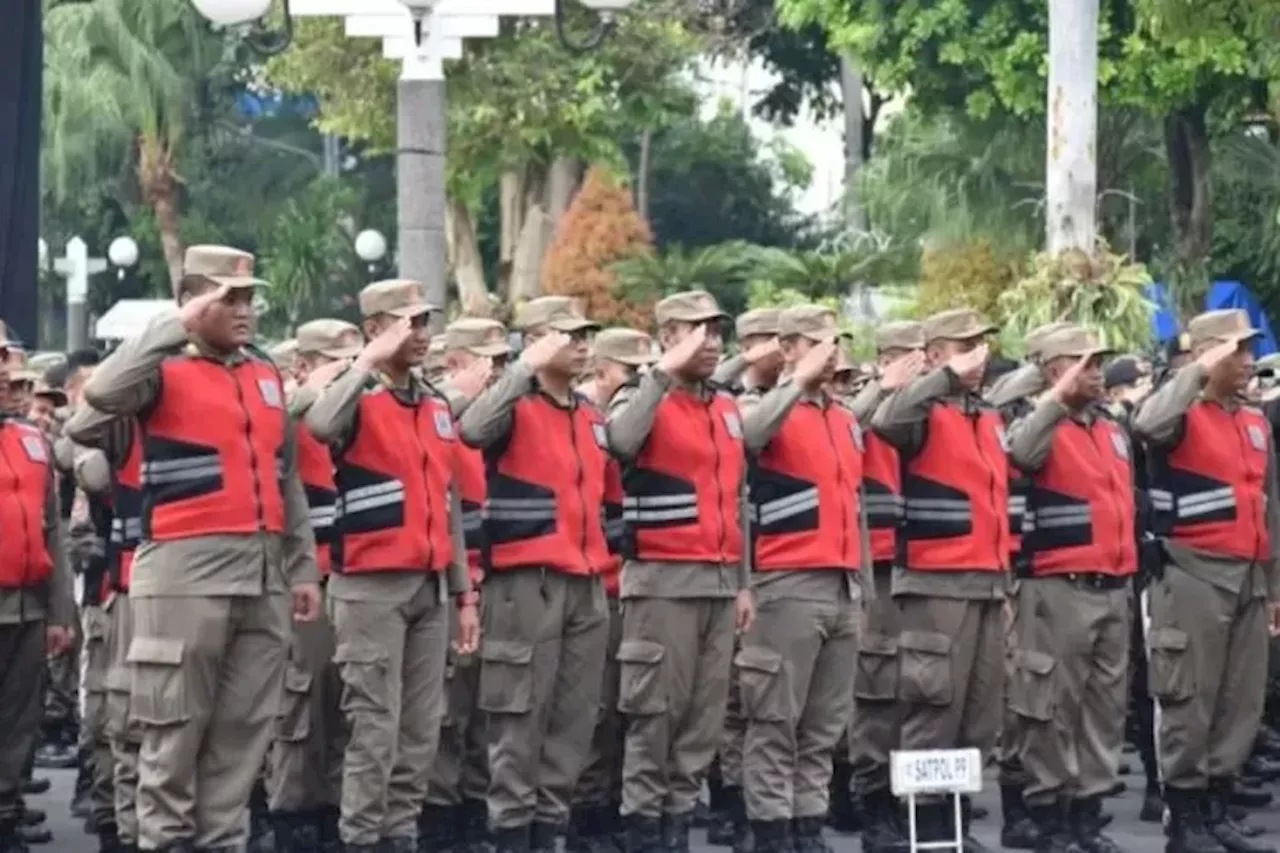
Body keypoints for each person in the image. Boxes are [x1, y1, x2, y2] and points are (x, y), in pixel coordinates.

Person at [81, 244, 322, 853]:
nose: (245, 310)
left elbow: (284, 475)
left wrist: (300, 569)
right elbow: (100, 399)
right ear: (193, 301)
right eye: (228, 299)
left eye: (249, 298)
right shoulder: (159, 366)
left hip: (262, 573)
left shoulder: (264, 372)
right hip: (185, 573)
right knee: (172, 736)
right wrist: (177, 325)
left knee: (241, 740)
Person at [305, 280, 479, 853]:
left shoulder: (433, 402)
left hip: (430, 587)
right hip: (370, 588)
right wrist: (363, 364)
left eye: (426, 322)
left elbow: (447, 500)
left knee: (420, 732)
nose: (422, 334)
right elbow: (322, 426)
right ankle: (360, 838)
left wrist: (463, 594)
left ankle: (398, 836)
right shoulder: (354, 395)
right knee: (374, 729)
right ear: (377, 329)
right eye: (409, 323)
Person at [457, 296, 611, 853]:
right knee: (518, 724)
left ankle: (550, 835)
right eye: (569, 335)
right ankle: (511, 835)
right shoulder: (513, 406)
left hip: (586, 586)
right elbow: (470, 429)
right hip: (527, 586)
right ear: (538, 339)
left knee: (572, 724)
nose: (583, 344)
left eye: (586, 334)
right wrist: (523, 366)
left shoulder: (591, 417)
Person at [606, 290, 756, 853]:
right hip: (663, 583)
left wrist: (741, 584)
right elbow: (618, 441)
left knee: (701, 723)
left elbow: (735, 502)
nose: (713, 343)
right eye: (698, 332)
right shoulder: (639, 396)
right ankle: (644, 831)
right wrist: (659, 376)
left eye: (718, 332)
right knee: (654, 720)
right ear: (668, 337)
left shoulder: (724, 407)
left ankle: (674, 832)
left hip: (717, 585)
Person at [1133, 309, 1280, 853]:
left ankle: (1218, 803)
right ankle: (1186, 814)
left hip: (1248, 576)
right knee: (1188, 698)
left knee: (1240, 699)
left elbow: (1270, 507)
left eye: (1248, 351)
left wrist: (1273, 584)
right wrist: (1196, 369)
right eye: (1236, 351)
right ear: (1208, 354)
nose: (1247, 362)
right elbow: (1146, 424)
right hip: (1193, 572)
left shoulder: (1252, 421)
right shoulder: (1179, 413)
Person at [869, 307, 1009, 851]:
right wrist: (944, 377)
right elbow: (886, 418)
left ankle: (955, 824)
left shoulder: (988, 413)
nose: (979, 353)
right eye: (965, 345)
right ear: (933, 355)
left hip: (987, 581)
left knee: (978, 712)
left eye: (983, 343)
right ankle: (923, 828)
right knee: (933, 706)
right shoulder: (920, 411)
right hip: (935, 583)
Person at [736, 306, 867, 853]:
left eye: (834, 342)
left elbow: (856, 507)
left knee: (823, 726)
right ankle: (771, 831)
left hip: (842, 585)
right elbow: (749, 437)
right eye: (817, 342)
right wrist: (795, 383)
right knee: (774, 720)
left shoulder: (843, 417)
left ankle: (807, 826)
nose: (830, 351)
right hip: (787, 582)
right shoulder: (758, 406)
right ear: (786, 348)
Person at [1005, 326, 1135, 853]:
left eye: (1100, 361)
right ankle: (1047, 812)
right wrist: (1054, 400)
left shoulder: (1110, 429)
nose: (1097, 371)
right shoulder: (1034, 422)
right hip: (1058, 584)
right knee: (1050, 706)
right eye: (1083, 362)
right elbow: (1019, 455)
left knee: (1104, 709)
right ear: (1052, 369)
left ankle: (1087, 811)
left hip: (1113, 585)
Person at [270, 319, 364, 853]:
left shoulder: (355, 411)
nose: (352, 373)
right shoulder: (292, 408)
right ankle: (286, 817)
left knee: (345, 706)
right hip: (305, 579)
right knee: (298, 707)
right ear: (305, 365)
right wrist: (310, 389)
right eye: (339, 361)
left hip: (353, 576)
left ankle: (331, 817)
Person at [421, 317, 512, 853]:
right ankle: (439, 818)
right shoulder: (438, 410)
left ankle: (477, 812)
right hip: (456, 580)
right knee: (446, 710)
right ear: (456, 364)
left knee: (490, 705)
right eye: (491, 363)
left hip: (499, 574)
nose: (501, 373)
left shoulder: (498, 419)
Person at [570, 328, 660, 853]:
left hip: (624, 579)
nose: (641, 384)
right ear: (603, 373)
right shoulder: (588, 420)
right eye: (632, 373)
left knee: (632, 704)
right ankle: (589, 812)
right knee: (594, 708)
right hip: (592, 583)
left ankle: (612, 810)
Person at [845, 322, 927, 853]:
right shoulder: (862, 403)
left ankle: (909, 806)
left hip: (914, 563)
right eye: (913, 358)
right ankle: (869, 801)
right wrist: (882, 384)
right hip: (870, 565)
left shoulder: (925, 411)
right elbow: (851, 424)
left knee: (914, 689)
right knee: (873, 689)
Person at [0, 324, 76, 853]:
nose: (7, 377)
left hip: (27, 604)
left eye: (8, 365)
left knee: (20, 717)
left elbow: (52, 528)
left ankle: (6, 814)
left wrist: (60, 612)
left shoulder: (31, 439)